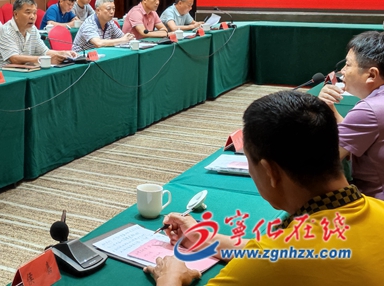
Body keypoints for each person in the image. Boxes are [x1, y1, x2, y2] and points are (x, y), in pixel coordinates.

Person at [144, 91, 384, 286]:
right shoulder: (378, 209)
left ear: (270, 172)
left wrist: (170, 278)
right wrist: (205, 239)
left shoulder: (272, 261)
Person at [318, 31, 384, 200]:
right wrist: (328, 107)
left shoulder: (369, 110)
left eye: (348, 65)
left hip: (375, 204)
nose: (342, 71)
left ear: (372, 75)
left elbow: (324, 161)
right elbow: (354, 134)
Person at [0, 0, 75, 70]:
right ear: (16, 14)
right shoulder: (6, 30)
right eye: (28, 12)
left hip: (22, 72)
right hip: (2, 76)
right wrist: (42, 59)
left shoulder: (33, 29)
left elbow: (44, 51)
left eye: (34, 13)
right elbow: (14, 59)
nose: (32, 17)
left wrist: (63, 53)